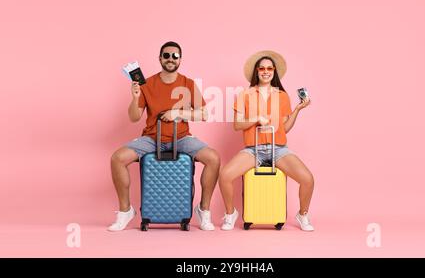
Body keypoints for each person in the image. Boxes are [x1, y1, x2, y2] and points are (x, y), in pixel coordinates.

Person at [109, 41, 220, 231]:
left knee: (213, 158)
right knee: (117, 158)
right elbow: (134, 117)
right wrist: (135, 96)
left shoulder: (188, 83)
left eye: (175, 56)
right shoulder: (147, 84)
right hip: (153, 139)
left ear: (180, 60)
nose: (171, 59)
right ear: (160, 58)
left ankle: (204, 210)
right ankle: (125, 211)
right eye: (166, 55)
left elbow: (204, 114)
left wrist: (178, 113)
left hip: (182, 138)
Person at [219, 50, 315, 231]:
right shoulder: (245, 95)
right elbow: (237, 125)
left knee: (307, 179)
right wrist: (255, 118)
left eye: (269, 68)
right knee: (225, 176)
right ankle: (230, 213)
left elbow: (284, 128)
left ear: (274, 71)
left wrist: (298, 109)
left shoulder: (282, 96)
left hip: (278, 148)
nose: (265, 71)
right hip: (253, 149)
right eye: (261, 68)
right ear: (256, 71)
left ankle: (303, 215)